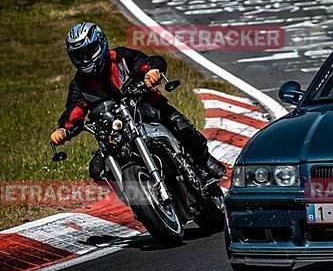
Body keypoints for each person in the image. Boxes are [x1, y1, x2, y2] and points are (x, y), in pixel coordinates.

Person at [50, 21, 226, 184]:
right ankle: (135, 199)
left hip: (148, 107)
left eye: (89, 51)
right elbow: (75, 108)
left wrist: (152, 72)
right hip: (115, 129)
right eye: (79, 55)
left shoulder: (121, 57)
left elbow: (149, 62)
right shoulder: (79, 83)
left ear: (101, 43)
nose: (86, 59)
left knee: (181, 126)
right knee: (97, 170)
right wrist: (63, 129)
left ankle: (205, 161)